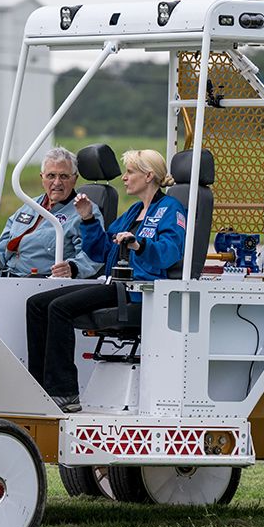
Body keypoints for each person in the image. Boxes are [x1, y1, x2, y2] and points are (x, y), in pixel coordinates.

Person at [25, 149, 187, 412]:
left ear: (148, 176)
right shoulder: (134, 211)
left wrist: (138, 245)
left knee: (59, 308)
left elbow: (170, 252)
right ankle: (38, 386)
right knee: (37, 304)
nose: (124, 178)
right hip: (114, 283)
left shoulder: (171, 209)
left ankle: (64, 392)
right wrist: (88, 218)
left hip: (137, 290)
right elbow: (101, 251)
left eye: (130, 172)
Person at [0, 147, 104, 278]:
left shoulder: (86, 211)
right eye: (51, 176)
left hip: (41, 282)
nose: (57, 182)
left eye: (64, 176)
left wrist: (72, 268)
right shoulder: (30, 205)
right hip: (5, 277)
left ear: (75, 179)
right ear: (42, 178)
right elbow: (1, 247)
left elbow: (93, 255)